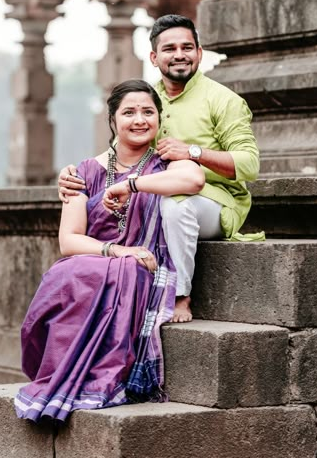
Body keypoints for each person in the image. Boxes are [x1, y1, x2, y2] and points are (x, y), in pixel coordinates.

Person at [15, 79, 204, 422]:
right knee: (67, 271)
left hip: (146, 265)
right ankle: (63, 375)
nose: (139, 120)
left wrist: (131, 185)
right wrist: (118, 251)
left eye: (148, 112)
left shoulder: (165, 163)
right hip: (103, 257)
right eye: (129, 112)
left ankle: (99, 381)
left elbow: (193, 181)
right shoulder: (83, 172)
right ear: (113, 119)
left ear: (159, 119)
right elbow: (69, 240)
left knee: (125, 273)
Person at [59, 14, 262, 324]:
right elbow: (122, 146)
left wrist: (193, 152)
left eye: (186, 47)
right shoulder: (148, 98)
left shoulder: (223, 100)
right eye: (169, 49)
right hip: (153, 190)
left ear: (199, 52)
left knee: (175, 205)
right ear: (154, 57)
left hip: (213, 202)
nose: (179, 55)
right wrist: (75, 176)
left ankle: (180, 295)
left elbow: (249, 165)